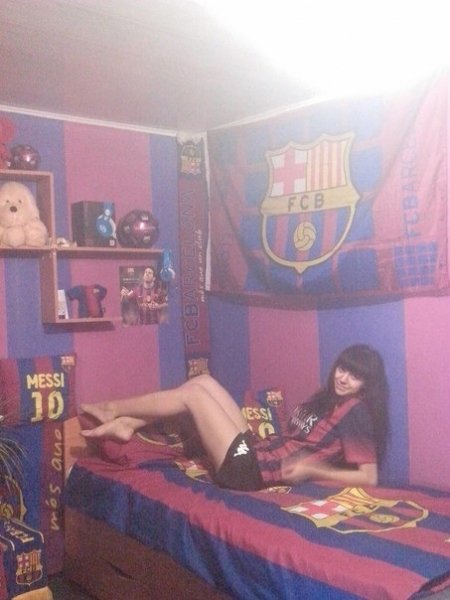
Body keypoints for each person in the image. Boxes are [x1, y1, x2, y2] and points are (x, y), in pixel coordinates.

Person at [80, 344, 389, 492]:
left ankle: (113, 410)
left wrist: (313, 469)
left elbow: (369, 477)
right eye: (342, 369)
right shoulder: (328, 399)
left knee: (194, 396)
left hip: (249, 472)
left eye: (355, 376)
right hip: (257, 452)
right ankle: (128, 423)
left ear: (367, 384)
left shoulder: (356, 412)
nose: (343, 378)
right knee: (203, 381)